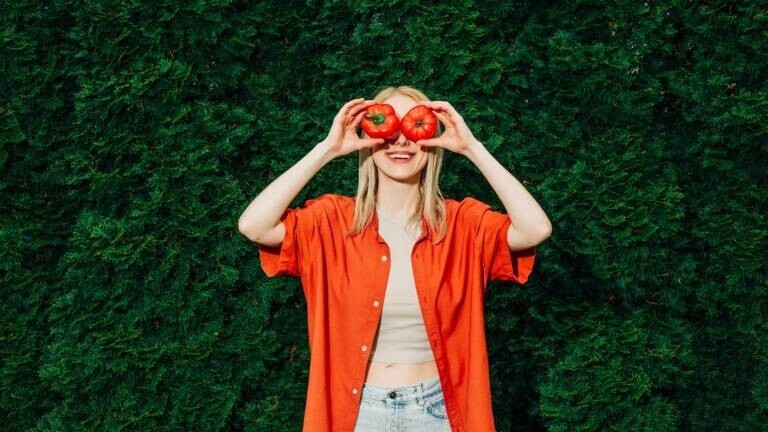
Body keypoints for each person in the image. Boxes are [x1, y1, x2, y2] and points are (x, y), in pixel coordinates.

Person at [238, 86, 552, 431]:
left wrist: (472, 148)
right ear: (367, 138)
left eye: (413, 127)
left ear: (432, 141)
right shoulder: (330, 221)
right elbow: (254, 225)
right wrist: (327, 149)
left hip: (437, 413)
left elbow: (535, 229)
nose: (400, 141)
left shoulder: (463, 225)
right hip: (355, 414)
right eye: (387, 128)